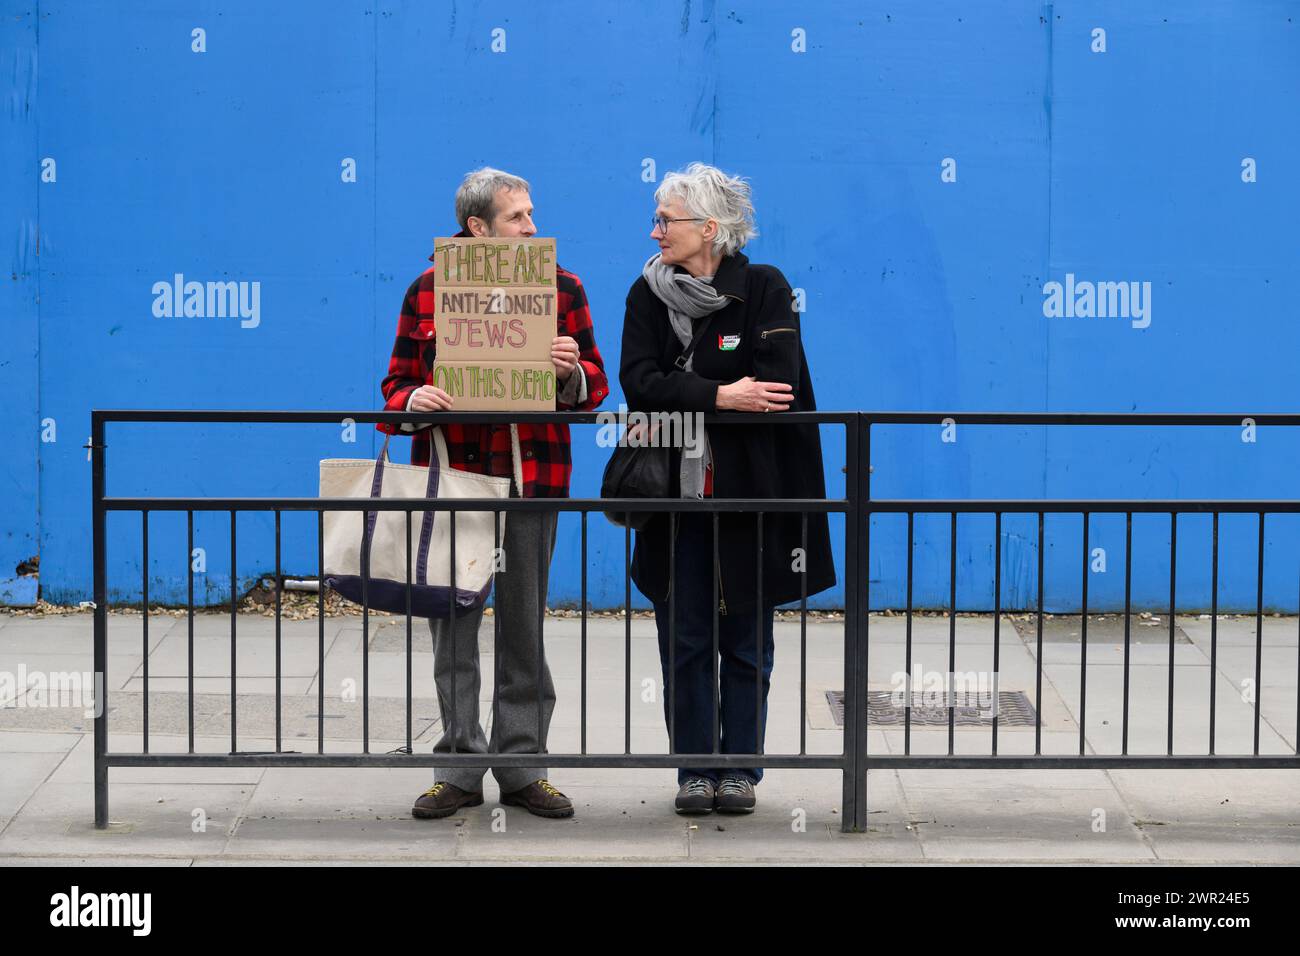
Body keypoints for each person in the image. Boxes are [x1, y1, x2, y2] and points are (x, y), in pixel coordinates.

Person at [378, 167, 608, 819]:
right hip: (452, 480)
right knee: (452, 628)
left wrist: (572, 373)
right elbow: (394, 386)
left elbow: (597, 385)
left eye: (532, 214)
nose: (533, 227)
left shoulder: (564, 288)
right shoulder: (427, 290)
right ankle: (457, 766)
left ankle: (522, 765)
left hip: (532, 481)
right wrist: (413, 399)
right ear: (477, 227)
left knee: (523, 627)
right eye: (517, 217)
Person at [619, 162, 836, 815]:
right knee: (683, 635)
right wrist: (721, 392)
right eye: (657, 218)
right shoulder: (646, 293)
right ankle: (695, 769)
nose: (654, 230)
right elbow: (638, 382)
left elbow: (775, 386)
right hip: (675, 499)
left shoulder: (764, 286)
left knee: (746, 634)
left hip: (749, 492)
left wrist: (691, 390)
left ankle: (740, 767)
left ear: (709, 229)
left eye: (666, 220)